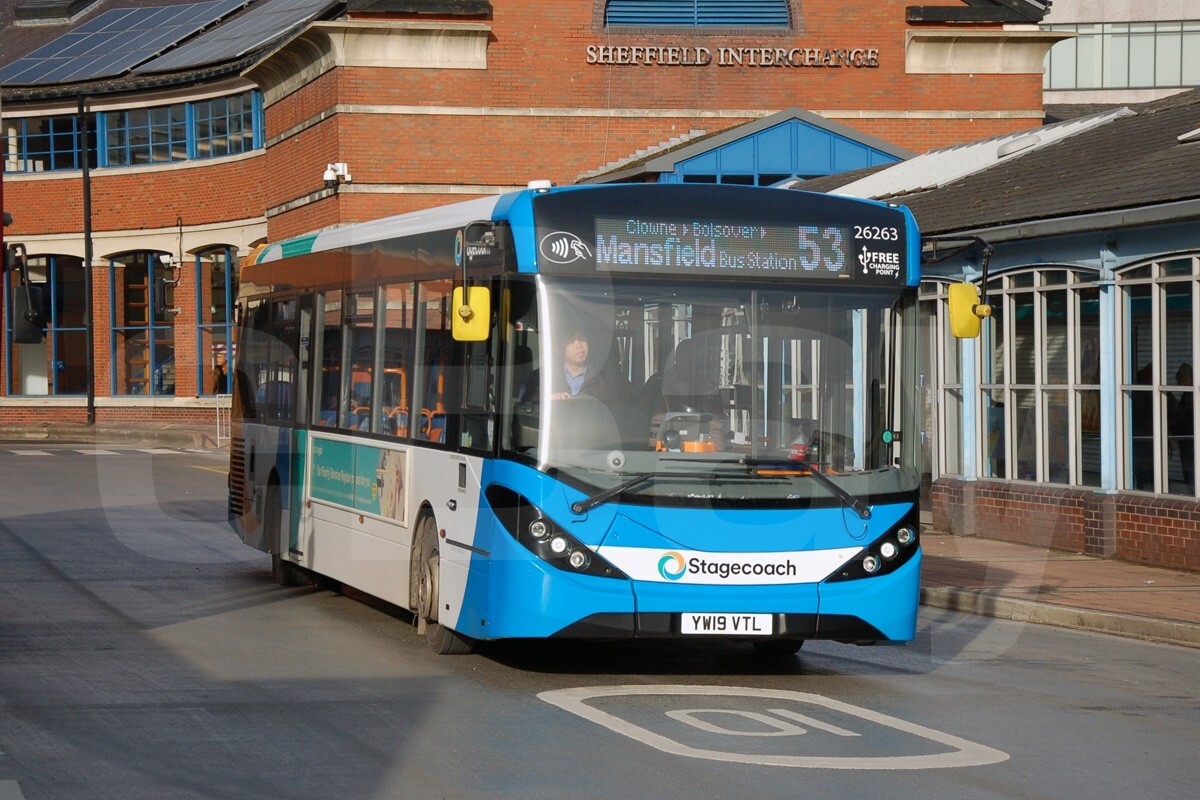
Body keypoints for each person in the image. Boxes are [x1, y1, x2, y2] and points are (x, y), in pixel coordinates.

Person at [519, 327, 631, 407]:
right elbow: (524, 405)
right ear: (559, 348)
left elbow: (625, 410)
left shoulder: (607, 378)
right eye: (570, 341)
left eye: (582, 339)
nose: (578, 345)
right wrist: (546, 400)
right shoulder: (541, 377)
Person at [1169, 362, 1194, 493]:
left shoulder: (1191, 396)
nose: (1178, 384)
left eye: (1180, 380)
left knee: (1191, 474)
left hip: (1189, 442)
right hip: (1188, 442)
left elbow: (1186, 420)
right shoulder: (1188, 395)